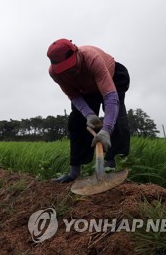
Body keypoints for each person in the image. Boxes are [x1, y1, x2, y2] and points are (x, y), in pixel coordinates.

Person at [46, 38, 130, 183]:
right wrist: (89, 114)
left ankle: (113, 165)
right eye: (65, 70)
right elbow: (73, 95)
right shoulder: (55, 73)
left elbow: (110, 97)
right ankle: (74, 172)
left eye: (72, 66)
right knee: (76, 122)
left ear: (77, 51)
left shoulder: (91, 58)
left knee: (116, 120)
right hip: (85, 89)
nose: (71, 72)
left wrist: (106, 130)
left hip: (112, 77)